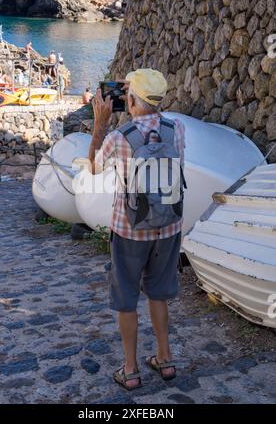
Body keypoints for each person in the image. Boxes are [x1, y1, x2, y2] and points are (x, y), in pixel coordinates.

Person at [88, 68, 186, 391]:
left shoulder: (120, 137)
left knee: (127, 298)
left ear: (130, 99)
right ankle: (165, 358)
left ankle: (130, 370)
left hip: (129, 230)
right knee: (158, 293)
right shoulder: (178, 130)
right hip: (168, 227)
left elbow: (93, 167)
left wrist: (100, 123)